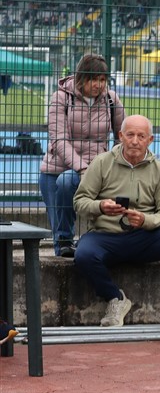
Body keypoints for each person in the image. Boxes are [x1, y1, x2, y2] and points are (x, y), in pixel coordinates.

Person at [72, 115, 160, 337]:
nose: (134, 141)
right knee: (83, 254)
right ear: (120, 136)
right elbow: (79, 201)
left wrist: (145, 220)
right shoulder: (101, 163)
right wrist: (101, 206)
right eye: (130, 135)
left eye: (141, 136)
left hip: (144, 237)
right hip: (105, 236)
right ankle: (115, 298)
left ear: (150, 140)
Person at [39, 53, 125, 257]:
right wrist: (83, 168)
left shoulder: (111, 99)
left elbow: (122, 135)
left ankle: (90, 248)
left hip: (96, 169)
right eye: (93, 79)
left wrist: (111, 161)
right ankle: (64, 248)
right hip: (57, 169)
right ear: (81, 78)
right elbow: (59, 140)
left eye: (102, 80)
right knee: (64, 189)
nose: (98, 85)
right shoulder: (61, 97)